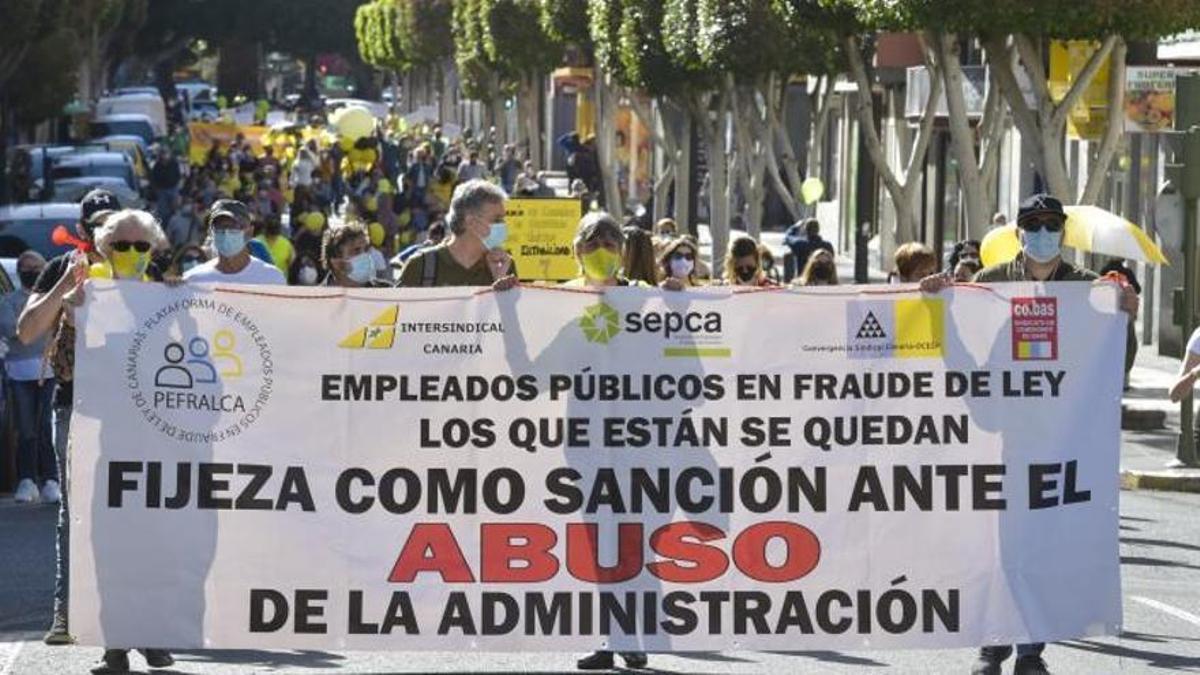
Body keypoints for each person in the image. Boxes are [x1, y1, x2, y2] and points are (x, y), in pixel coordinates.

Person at [920, 194, 1138, 675]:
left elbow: (1111, 364)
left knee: (1044, 543)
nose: (1043, 233)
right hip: (1005, 434)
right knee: (1003, 545)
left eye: (1051, 224)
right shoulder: (991, 284)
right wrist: (939, 304)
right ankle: (994, 643)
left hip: (1063, 436)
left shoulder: (1088, 288)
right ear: (1019, 233)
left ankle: (1030, 648)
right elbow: (967, 350)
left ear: (1063, 231)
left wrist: (1126, 316)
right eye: (1033, 224)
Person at [70, 209, 176, 674]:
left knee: (157, 543)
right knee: (108, 545)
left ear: (153, 250)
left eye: (141, 246)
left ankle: (152, 635)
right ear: (104, 249)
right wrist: (68, 298)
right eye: (122, 246)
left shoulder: (172, 298)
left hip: (159, 444)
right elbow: (34, 332)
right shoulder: (88, 296)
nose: (132, 254)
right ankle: (115, 644)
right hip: (105, 441)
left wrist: (185, 310)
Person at [17, 188, 120, 645]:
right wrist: (64, 287)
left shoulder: (140, 264)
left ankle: (136, 612)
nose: (104, 232)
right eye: (96, 223)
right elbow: (27, 332)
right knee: (73, 512)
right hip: (75, 403)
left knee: (130, 508)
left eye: (112, 222)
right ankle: (66, 612)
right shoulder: (61, 268)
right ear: (83, 230)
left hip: (132, 409)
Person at [0, 251, 57, 504]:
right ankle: (27, 479)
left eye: (37, 267)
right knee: (26, 429)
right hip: (20, 372)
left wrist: (34, 326)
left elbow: (57, 328)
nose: (31, 271)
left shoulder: (53, 299)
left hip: (50, 370)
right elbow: (14, 331)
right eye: (26, 268)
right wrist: (37, 326)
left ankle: (51, 480)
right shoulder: (9, 301)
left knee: (46, 426)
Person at [396, 180, 517, 290]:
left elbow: (516, 313)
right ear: (471, 222)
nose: (504, 225)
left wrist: (500, 282)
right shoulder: (420, 267)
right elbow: (395, 312)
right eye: (497, 220)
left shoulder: (504, 265)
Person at [183, 199, 286, 285]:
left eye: (234, 227)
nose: (226, 233)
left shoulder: (272, 279)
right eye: (219, 227)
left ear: (249, 232)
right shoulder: (193, 280)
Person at [323, 221, 391, 288]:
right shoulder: (317, 296)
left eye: (366, 249)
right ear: (336, 262)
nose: (364, 255)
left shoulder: (386, 291)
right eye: (356, 250)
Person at [150, 147, 182, 223]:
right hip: (162, 190)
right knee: (163, 211)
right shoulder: (157, 165)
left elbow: (178, 175)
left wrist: (176, 184)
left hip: (173, 189)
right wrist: (156, 188)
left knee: (174, 209)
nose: (164, 156)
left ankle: (173, 224)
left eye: (166, 154)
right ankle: (165, 225)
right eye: (163, 154)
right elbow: (154, 178)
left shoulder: (174, 163)